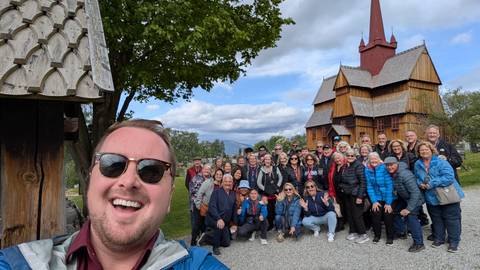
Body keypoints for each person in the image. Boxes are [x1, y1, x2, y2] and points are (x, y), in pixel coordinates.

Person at [0, 119, 227, 269]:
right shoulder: (19, 263)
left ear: (169, 197)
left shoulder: (198, 266)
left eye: (151, 170)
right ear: (90, 181)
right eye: (112, 164)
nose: (128, 181)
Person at [414, 141, 464, 253]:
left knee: (452, 219)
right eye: (421, 150)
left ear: (431, 150)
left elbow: (449, 176)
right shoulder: (418, 164)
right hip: (431, 196)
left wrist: (432, 183)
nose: (424, 151)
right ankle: (439, 238)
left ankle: (454, 241)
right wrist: (419, 183)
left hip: (447, 194)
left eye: (426, 149)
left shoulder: (440, 161)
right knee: (436, 218)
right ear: (418, 152)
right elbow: (416, 177)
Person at [384, 157, 425, 252]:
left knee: (411, 216)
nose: (389, 167)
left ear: (397, 164)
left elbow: (415, 192)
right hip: (405, 198)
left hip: (416, 199)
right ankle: (402, 232)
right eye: (387, 165)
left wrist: (408, 209)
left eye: (391, 165)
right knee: (394, 211)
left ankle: (419, 243)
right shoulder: (393, 173)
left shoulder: (405, 174)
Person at [365, 152, 396, 245]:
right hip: (377, 197)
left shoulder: (384, 168)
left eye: (375, 159)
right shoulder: (367, 170)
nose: (373, 161)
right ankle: (377, 235)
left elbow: (389, 186)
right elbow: (369, 187)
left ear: (379, 159)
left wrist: (388, 203)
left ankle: (390, 236)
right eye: (371, 159)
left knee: (388, 215)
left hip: (388, 197)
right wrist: (374, 201)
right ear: (369, 161)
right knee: (375, 214)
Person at [339, 149, 369, 244]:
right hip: (348, 194)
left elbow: (363, 182)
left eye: (352, 156)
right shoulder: (346, 166)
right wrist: (343, 187)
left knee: (357, 215)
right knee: (350, 214)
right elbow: (343, 180)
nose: (350, 157)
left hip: (356, 194)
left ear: (355, 156)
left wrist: (360, 197)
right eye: (348, 155)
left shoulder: (359, 165)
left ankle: (363, 234)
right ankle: (353, 231)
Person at [205, 174, 236, 255]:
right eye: (226, 181)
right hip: (214, 218)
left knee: (227, 243)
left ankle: (207, 238)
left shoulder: (233, 194)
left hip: (225, 221)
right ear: (222, 182)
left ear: (232, 183)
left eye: (230, 182)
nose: (228, 183)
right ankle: (215, 246)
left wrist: (234, 223)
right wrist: (218, 218)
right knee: (219, 226)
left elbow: (234, 210)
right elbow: (212, 207)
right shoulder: (216, 192)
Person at [257, 154, 283, 230]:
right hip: (266, 194)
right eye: (266, 159)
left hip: (275, 192)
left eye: (269, 159)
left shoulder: (275, 168)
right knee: (269, 210)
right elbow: (259, 182)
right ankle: (270, 225)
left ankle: (277, 225)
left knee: (276, 209)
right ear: (263, 161)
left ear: (271, 160)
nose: (267, 161)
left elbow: (280, 178)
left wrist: (277, 187)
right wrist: (265, 189)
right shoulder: (261, 169)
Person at [190, 165, 211, 246]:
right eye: (205, 169)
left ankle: (202, 240)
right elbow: (192, 192)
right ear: (202, 170)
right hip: (198, 205)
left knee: (204, 223)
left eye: (209, 169)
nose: (207, 171)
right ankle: (193, 241)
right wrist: (199, 203)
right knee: (196, 224)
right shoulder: (196, 178)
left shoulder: (211, 179)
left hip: (207, 205)